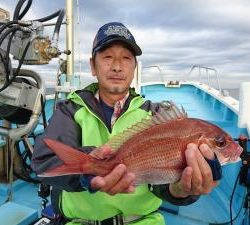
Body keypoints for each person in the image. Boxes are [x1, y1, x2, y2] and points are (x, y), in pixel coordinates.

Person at [31, 22, 219, 225]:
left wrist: (181, 190)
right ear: (93, 66)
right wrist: (89, 171)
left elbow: (162, 183)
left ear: (134, 67)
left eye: (126, 58)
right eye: (108, 57)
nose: (117, 66)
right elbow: (44, 161)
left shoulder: (155, 115)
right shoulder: (70, 110)